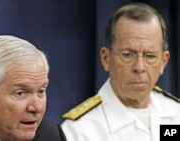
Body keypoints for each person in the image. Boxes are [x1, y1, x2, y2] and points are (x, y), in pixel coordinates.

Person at [61, 2, 180, 141]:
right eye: (127, 55)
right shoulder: (78, 132)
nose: (139, 67)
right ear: (106, 58)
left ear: (163, 62)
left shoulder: (176, 113)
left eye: (150, 56)